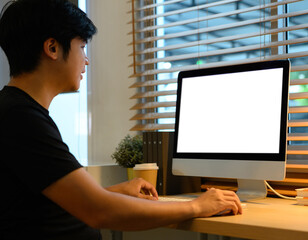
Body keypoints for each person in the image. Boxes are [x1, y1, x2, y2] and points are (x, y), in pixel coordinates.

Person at [0, 0, 242, 239]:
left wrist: (113, 192)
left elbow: (40, 204)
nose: (86, 60)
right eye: (82, 46)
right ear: (52, 48)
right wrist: (197, 206)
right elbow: (98, 211)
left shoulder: (17, 111)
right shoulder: (21, 118)